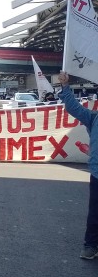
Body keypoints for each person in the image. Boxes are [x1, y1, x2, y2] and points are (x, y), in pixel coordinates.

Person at [57, 72, 98, 260]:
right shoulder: (93, 118)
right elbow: (73, 108)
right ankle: (90, 245)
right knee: (95, 213)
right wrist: (65, 87)